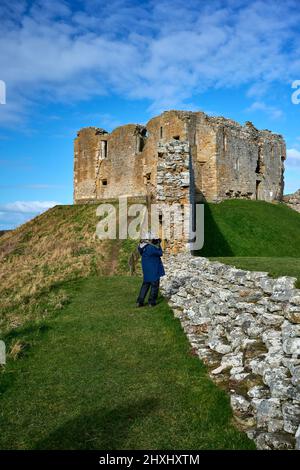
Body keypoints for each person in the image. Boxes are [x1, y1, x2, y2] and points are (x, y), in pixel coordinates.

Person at [136, 236, 165, 307]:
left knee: (145, 285)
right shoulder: (152, 247)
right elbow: (160, 253)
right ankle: (151, 302)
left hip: (146, 269)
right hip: (154, 269)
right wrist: (158, 244)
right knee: (154, 285)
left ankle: (140, 302)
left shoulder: (142, 247)